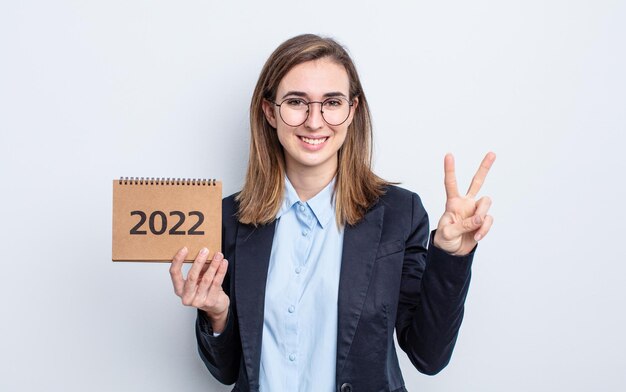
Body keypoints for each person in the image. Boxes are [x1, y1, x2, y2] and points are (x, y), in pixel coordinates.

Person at [169, 34, 495, 392]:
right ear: (269, 112)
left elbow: (428, 356)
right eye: (296, 102)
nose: (314, 121)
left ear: (352, 111)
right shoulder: (228, 219)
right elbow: (228, 371)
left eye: (332, 102)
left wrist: (451, 256)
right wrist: (217, 314)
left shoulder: (400, 214)